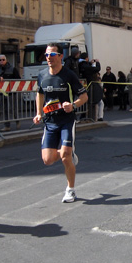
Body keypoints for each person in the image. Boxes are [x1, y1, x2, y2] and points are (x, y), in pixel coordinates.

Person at [33, 43, 88, 203]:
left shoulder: (69, 75)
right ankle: (69, 152)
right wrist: (38, 113)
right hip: (50, 122)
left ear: (60, 56)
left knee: (65, 157)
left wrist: (73, 105)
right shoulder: (42, 75)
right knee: (48, 160)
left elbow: (84, 97)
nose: (48, 58)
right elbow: (40, 94)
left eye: (52, 55)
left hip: (66, 120)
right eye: (46, 55)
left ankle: (70, 190)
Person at [0, 54, 21, 132]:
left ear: (6, 60)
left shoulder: (13, 69)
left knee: (13, 108)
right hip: (2, 92)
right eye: (0, 60)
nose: (2, 61)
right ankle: (7, 125)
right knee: (5, 109)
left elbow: (18, 79)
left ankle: (17, 121)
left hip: (11, 93)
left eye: (3, 59)